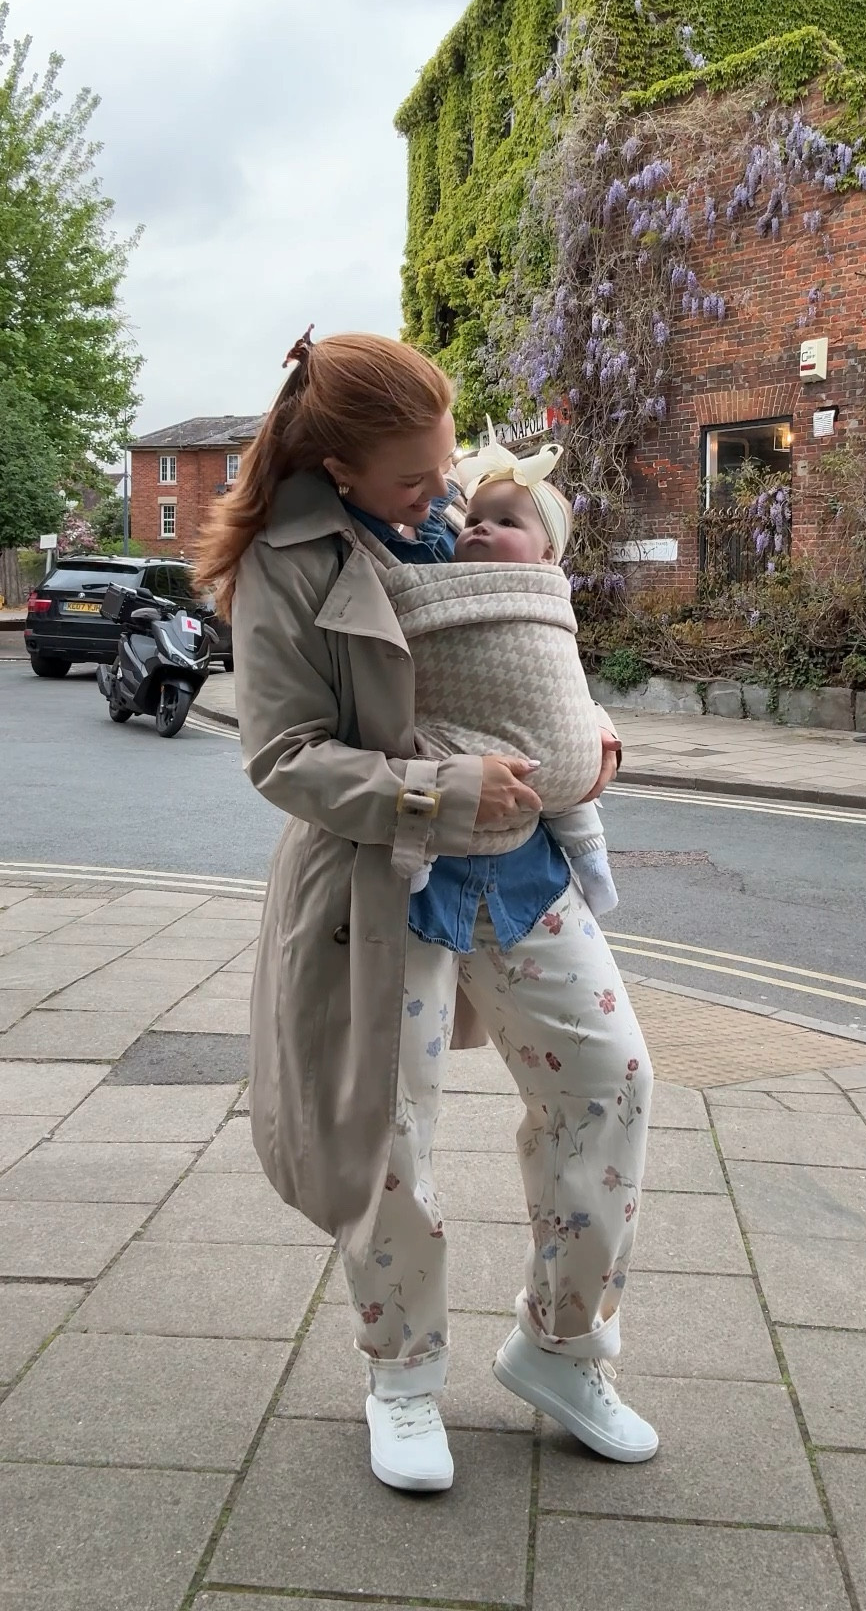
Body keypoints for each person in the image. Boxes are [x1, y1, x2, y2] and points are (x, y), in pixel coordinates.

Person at [196, 330, 656, 1498]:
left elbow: (520, 639)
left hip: (523, 868)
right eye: (412, 480)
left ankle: (561, 1349)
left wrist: (587, 733)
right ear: (336, 466)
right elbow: (283, 755)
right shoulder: (284, 564)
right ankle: (400, 1374)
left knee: (610, 1081)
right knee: (387, 1139)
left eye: (445, 467)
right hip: (378, 883)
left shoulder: (448, 512)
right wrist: (435, 788)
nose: (440, 495)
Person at [406, 420, 619, 917]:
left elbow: (560, 682)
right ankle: (416, 849)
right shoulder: (438, 578)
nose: (480, 527)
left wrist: (597, 733)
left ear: (548, 554)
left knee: (577, 808)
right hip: (457, 766)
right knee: (429, 748)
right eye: (476, 518)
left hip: (538, 820)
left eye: (507, 523)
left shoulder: (545, 595)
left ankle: (591, 857)